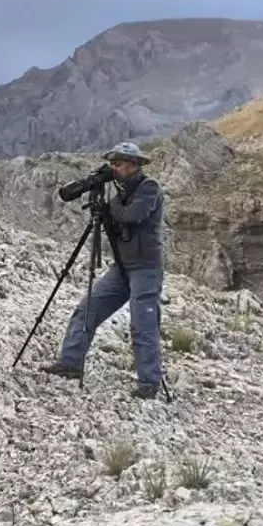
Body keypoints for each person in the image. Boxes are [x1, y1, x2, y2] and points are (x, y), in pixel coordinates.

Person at [40, 141, 166, 399]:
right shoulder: (117, 193)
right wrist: (104, 205)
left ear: (133, 165)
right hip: (121, 268)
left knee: (143, 324)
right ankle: (71, 362)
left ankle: (149, 383)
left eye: (117, 164)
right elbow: (117, 218)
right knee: (87, 309)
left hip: (145, 268)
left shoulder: (149, 189)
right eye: (112, 164)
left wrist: (109, 207)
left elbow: (133, 215)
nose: (113, 169)